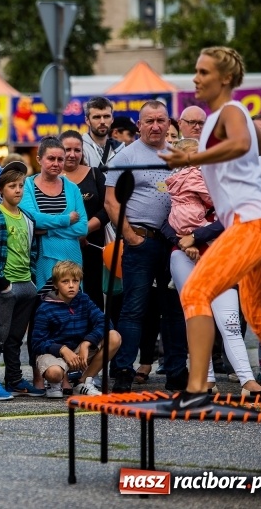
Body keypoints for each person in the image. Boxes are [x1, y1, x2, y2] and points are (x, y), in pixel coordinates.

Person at [158, 47, 261, 411]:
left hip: (253, 225)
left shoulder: (230, 111)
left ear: (225, 78)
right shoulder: (231, 116)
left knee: (196, 291)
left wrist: (192, 157)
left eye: (203, 72)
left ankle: (197, 391)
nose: (195, 78)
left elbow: (243, 143)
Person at [162, 140, 261, 396]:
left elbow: (232, 218)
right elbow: (165, 223)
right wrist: (183, 242)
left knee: (229, 320)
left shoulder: (222, 180)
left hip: (219, 255)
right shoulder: (176, 183)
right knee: (196, 319)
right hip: (183, 256)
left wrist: (195, 236)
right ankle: (206, 379)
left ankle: (247, 380)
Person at [105, 100, 189, 394]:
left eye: (161, 120)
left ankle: (177, 372)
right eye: (149, 121)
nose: (155, 126)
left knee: (175, 310)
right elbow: (111, 201)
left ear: (169, 124)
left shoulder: (178, 155)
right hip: (141, 241)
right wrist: (131, 236)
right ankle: (123, 370)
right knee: (134, 309)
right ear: (139, 125)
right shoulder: (126, 156)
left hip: (175, 244)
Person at [0, 160, 44, 400]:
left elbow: (32, 249)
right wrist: (2, 282)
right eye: (12, 186)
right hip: (6, 285)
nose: (17, 190)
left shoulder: (26, 217)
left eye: (20, 186)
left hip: (26, 284)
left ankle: (15, 380)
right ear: (0, 190)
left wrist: (32, 279)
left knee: (16, 338)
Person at [33, 261, 121, 399]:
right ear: (55, 285)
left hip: (79, 352)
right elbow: (37, 343)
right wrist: (62, 349)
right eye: (65, 281)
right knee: (54, 373)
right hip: (54, 354)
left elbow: (105, 322)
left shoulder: (83, 300)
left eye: (75, 281)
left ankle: (83, 382)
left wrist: (87, 343)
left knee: (114, 336)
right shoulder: (45, 308)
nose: (71, 285)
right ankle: (54, 384)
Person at [20, 137, 88, 295]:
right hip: (42, 258)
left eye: (60, 159)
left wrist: (48, 230)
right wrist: (66, 219)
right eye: (51, 158)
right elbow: (33, 220)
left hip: (71, 258)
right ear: (39, 159)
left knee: (72, 304)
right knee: (45, 303)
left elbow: (82, 228)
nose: (56, 163)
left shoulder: (72, 188)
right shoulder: (27, 186)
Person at [59, 130, 108, 310]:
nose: (72, 154)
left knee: (92, 296)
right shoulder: (51, 177)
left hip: (91, 246)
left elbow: (107, 208)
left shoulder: (95, 174)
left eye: (77, 150)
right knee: (61, 294)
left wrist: (85, 230)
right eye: (67, 150)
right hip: (59, 246)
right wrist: (71, 234)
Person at [81, 97, 124, 168]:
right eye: (97, 117)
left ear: (112, 119)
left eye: (106, 116)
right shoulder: (79, 149)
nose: (102, 121)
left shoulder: (121, 148)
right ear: (87, 120)